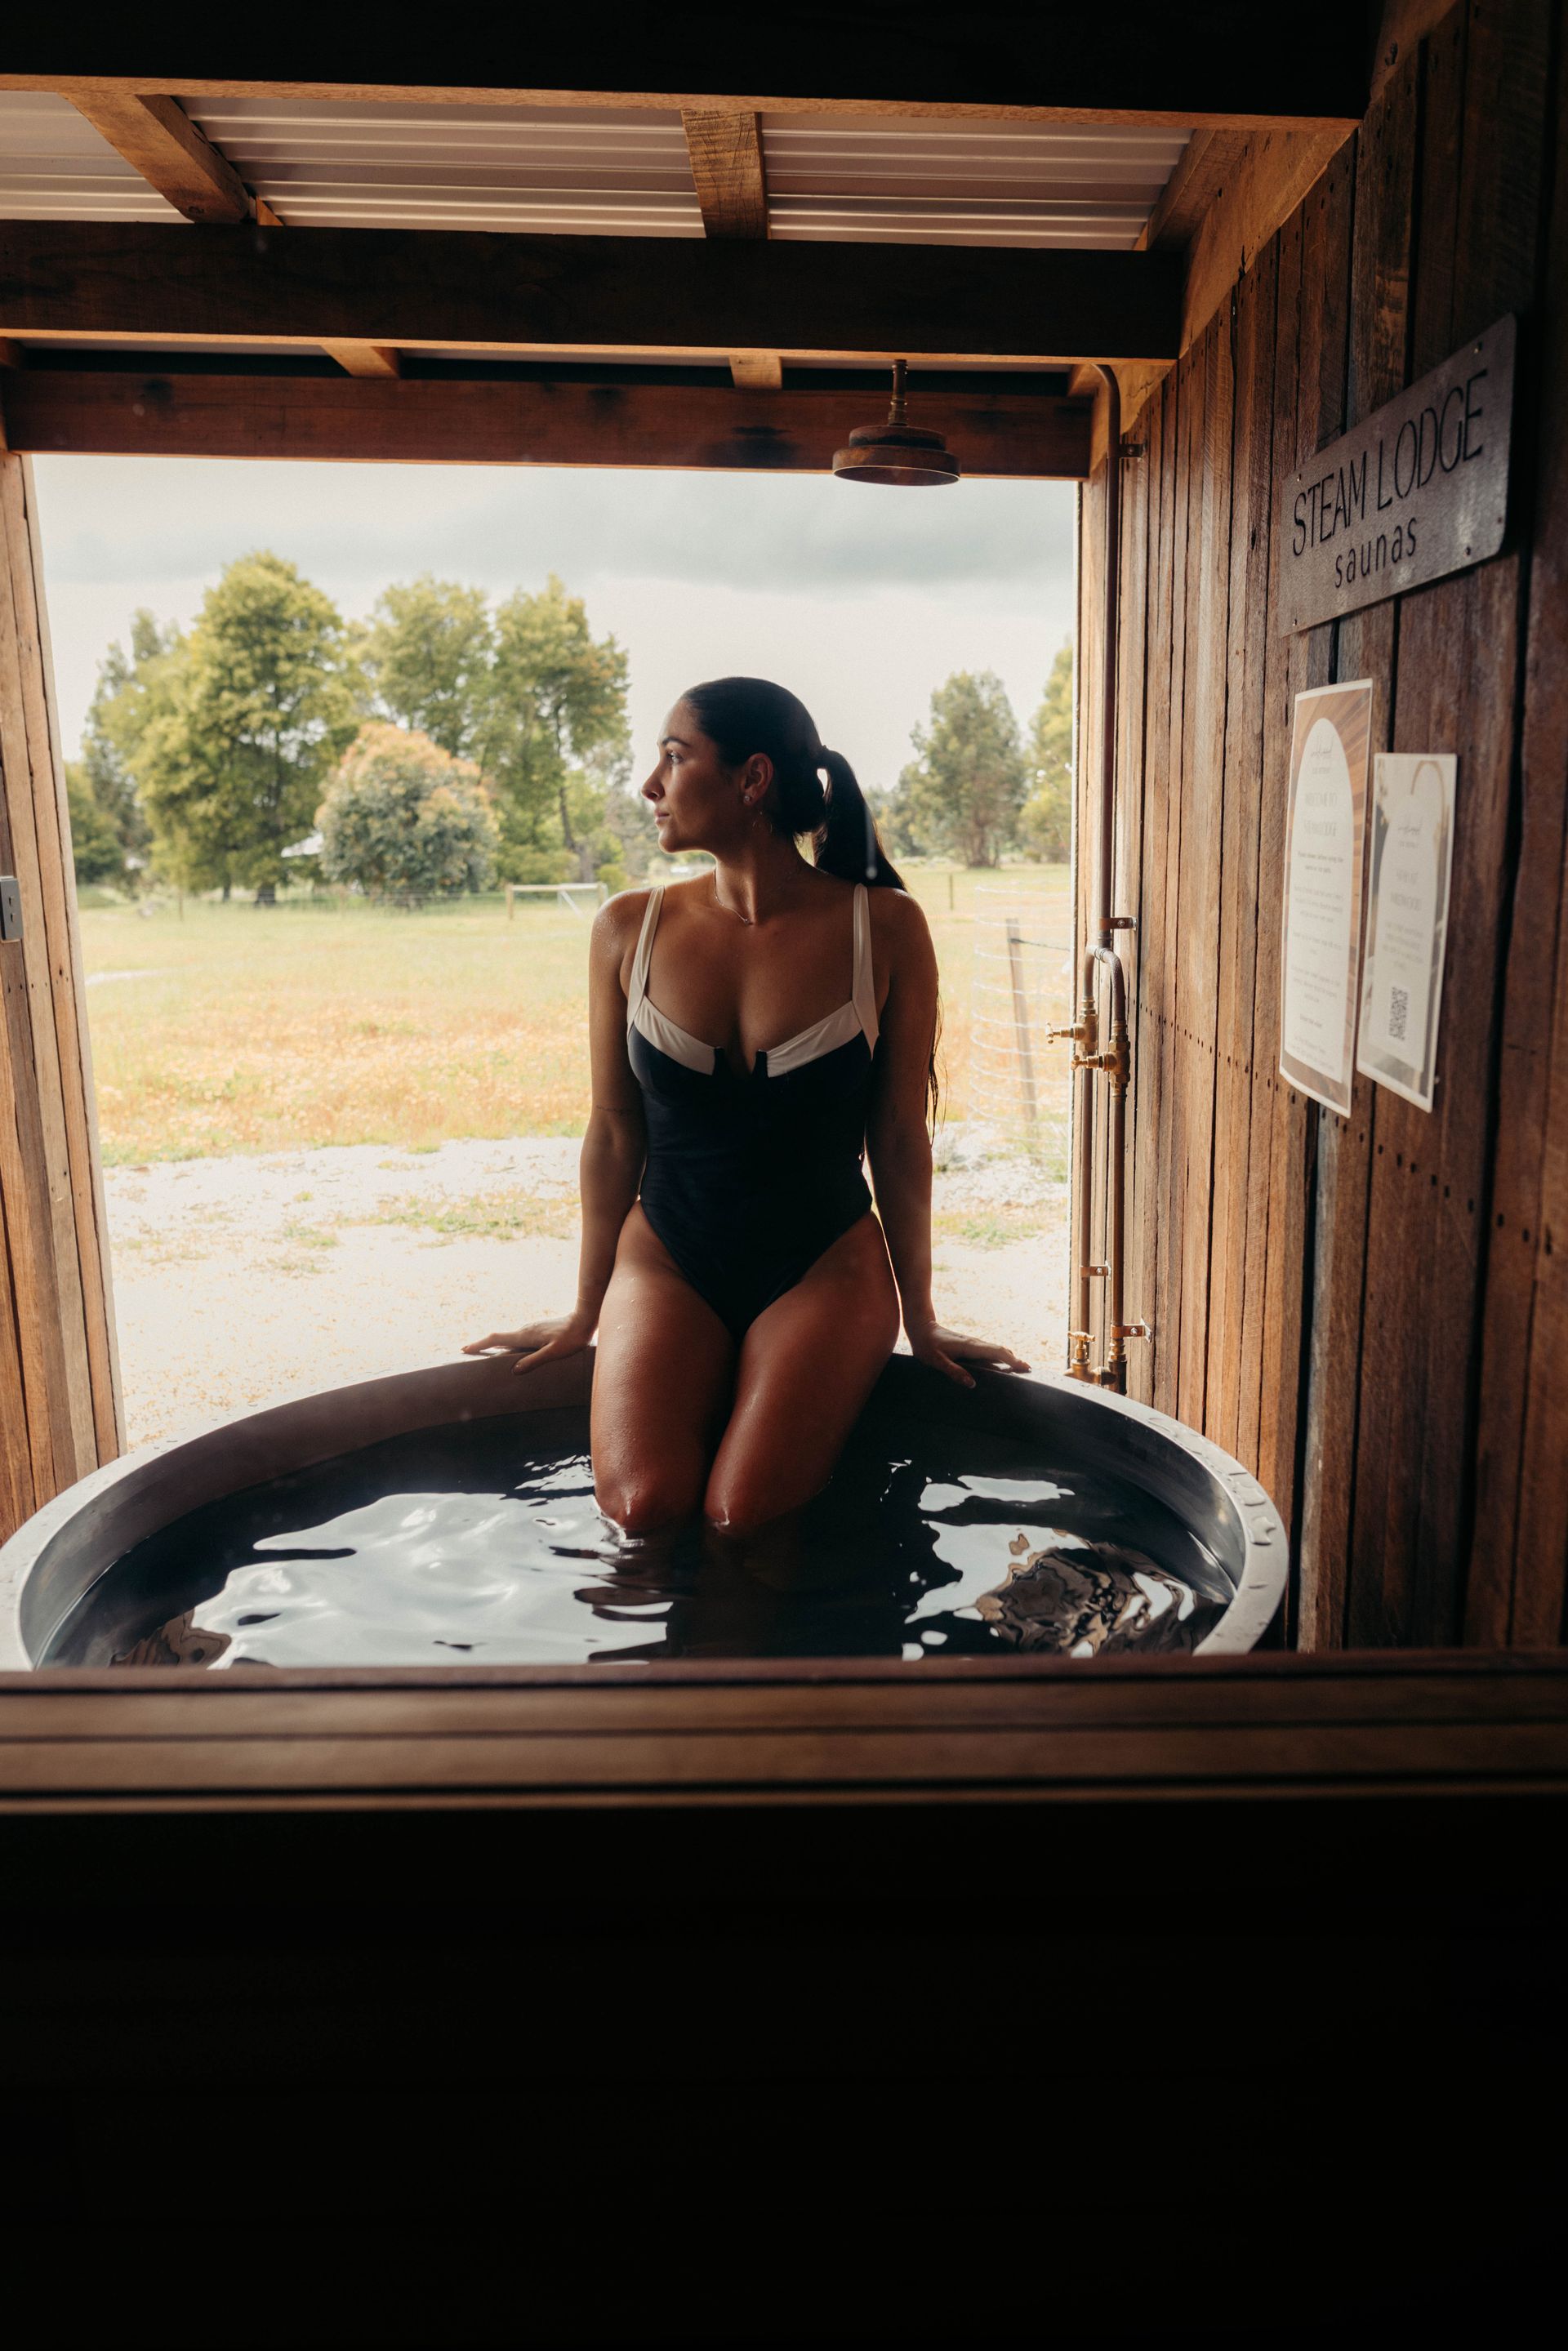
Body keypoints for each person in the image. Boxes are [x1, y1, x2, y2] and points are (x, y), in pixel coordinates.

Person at [466, 676, 1026, 1534]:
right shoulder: (628, 928)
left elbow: (900, 1139)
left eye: (675, 756)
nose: (650, 784)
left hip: (824, 1262)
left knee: (745, 1514)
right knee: (641, 1507)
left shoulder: (885, 927)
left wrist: (923, 1318)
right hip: (668, 1257)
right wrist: (588, 1307)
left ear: (752, 778)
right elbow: (616, 1133)